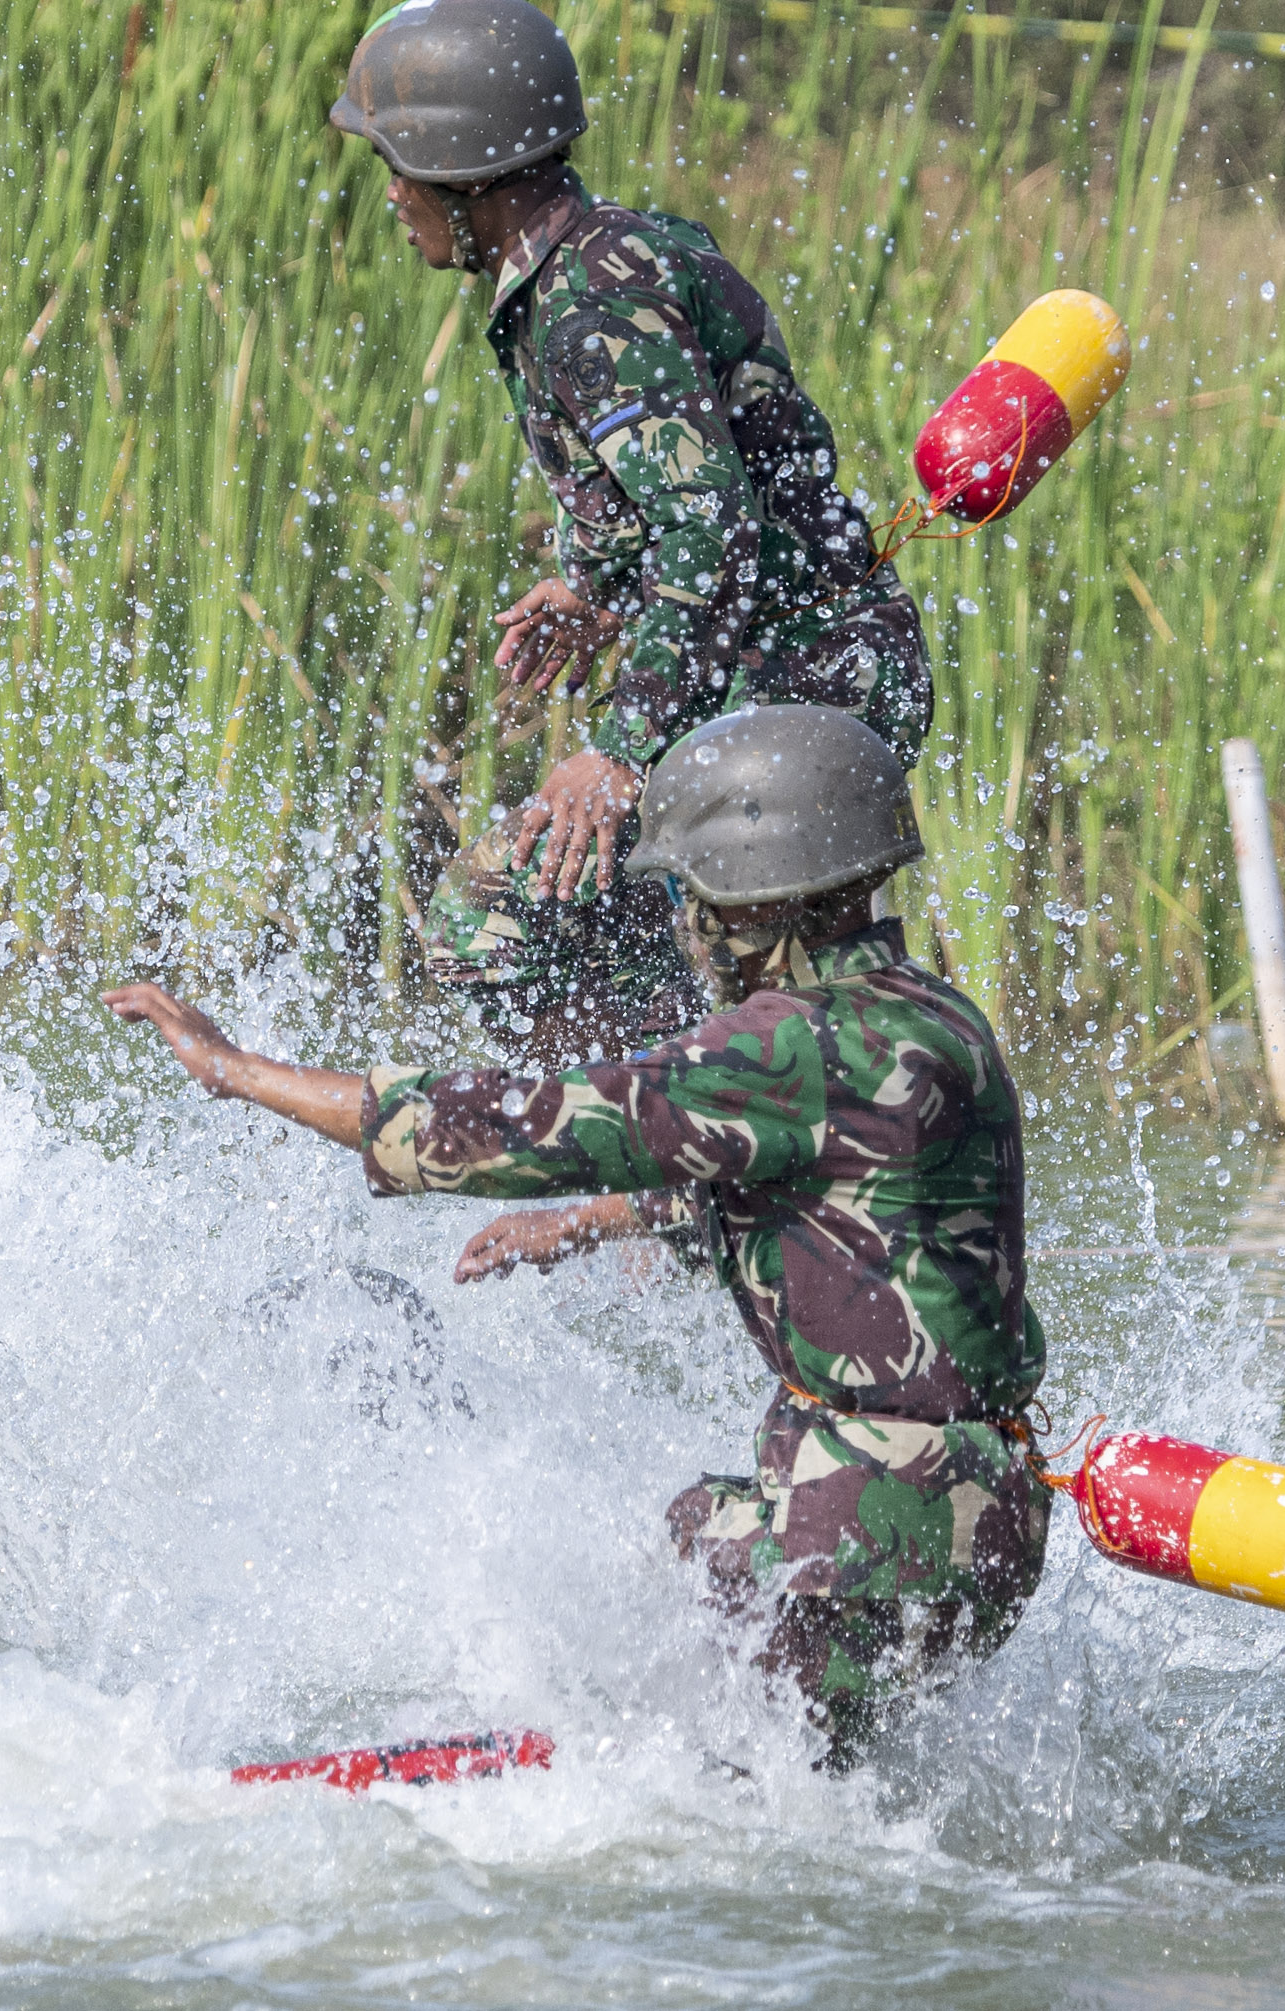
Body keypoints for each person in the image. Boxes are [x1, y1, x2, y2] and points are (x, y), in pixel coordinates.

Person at [104, 703, 1044, 1757]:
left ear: (752, 903)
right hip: (964, 1512)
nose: (686, 925)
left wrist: (242, 1074)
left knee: (727, 1794)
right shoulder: (924, 1012)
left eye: (694, 898)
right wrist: (592, 1225)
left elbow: (515, 1126)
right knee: (691, 1533)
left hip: (877, 1524)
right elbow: (843, 1203)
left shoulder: (792, 1042)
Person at [333, 0, 931, 1055]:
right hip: (771, 674)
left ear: (465, 179)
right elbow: (714, 477)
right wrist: (599, 582)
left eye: (397, 168)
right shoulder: (610, 256)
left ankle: (691, 1164)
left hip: (799, 687)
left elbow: (714, 529)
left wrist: (617, 751)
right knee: (544, 927)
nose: (390, 197)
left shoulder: (591, 306)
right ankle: (663, 1170)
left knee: (524, 931)